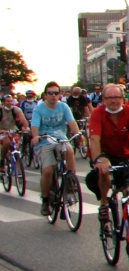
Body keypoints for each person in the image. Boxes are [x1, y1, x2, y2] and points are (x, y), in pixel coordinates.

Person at [87, 84, 129, 224]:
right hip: (103, 153)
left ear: (123, 98)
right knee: (104, 172)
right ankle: (104, 204)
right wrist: (100, 160)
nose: (113, 101)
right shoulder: (97, 113)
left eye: (117, 97)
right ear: (103, 100)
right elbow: (94, 139)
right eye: (109, 98)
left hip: (123, 156)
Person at [30, 82, 81, 215]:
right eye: (50, 93)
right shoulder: (39, 109)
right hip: (45, 141)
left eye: (56, 93)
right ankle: (45, 200)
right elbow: (35, 126)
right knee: (47, 171)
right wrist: (35, 136)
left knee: (69, 149)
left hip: (60, 138)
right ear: (45, 95)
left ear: (59, 95)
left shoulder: (63, 107)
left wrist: (77, 135)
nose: (53, 96)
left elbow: (72, 122)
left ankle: (71, 179)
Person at [0, 94, 29, 165]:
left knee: (17, 146)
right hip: (2, 131)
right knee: (6, 142)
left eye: (11, 101)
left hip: (13, 130)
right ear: (3, 102)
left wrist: (26, 128)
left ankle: (17, 168)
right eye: (8, 101)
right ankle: (2, 161)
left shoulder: (16, 109)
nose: (10, 103)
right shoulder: (0, 110)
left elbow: (23, 119)